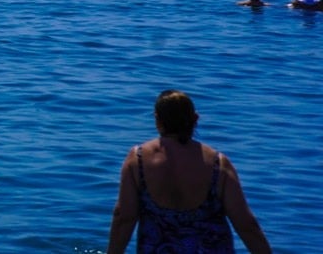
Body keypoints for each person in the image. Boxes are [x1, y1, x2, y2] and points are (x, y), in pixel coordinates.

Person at [104, 90, 272, 254]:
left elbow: (124, 217)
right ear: (195, 119)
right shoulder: (218, 164)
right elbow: (246, 224)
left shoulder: (138, 160)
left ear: (157, 120)